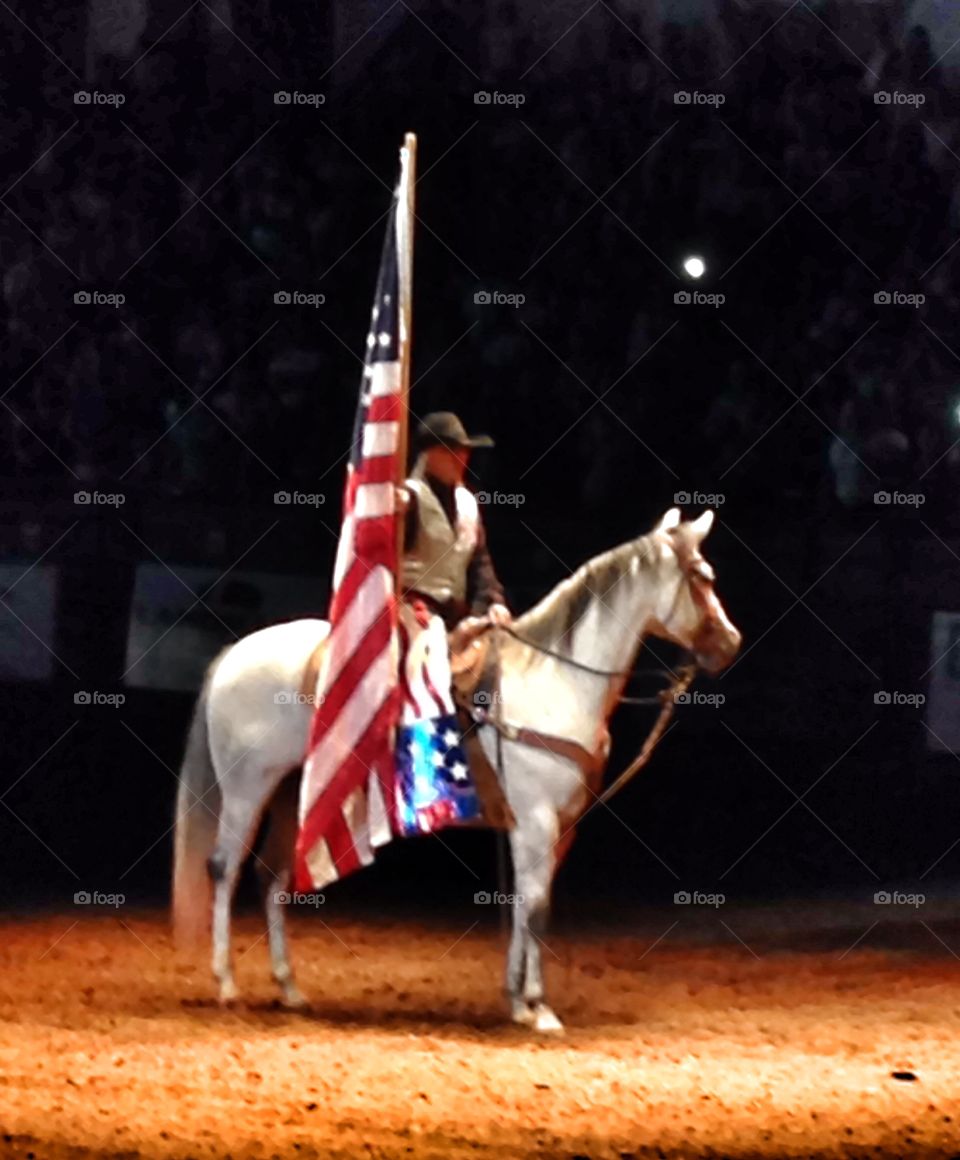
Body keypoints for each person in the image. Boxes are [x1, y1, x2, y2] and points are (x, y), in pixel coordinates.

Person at [398, 411, 512, 630]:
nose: (460, 458)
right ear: (427, 455)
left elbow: (480, 564)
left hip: (455, 616)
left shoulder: (468, 503)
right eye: (449, 450)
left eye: (464, 451)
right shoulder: (409, 498)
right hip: (411, 614)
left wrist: (493, 602)